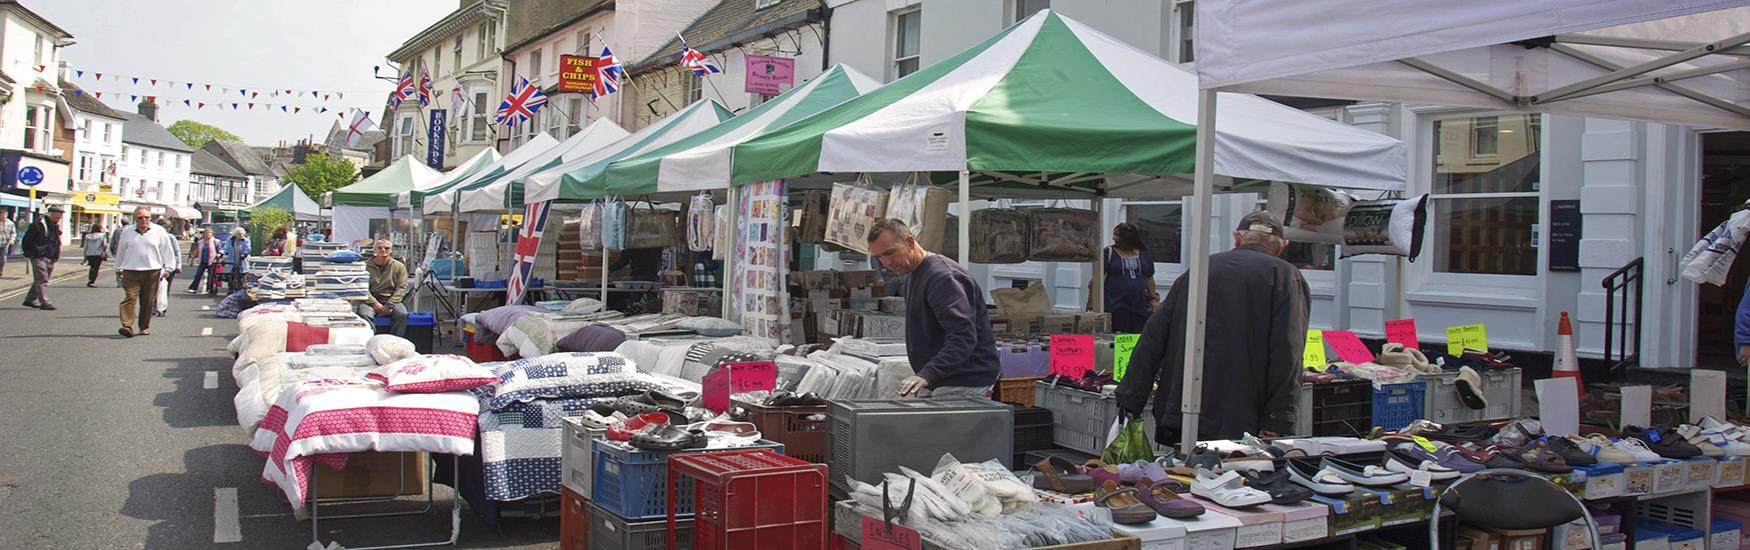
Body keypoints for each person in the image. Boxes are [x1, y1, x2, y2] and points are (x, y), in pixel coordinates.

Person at [1116, 211, 1310, 443]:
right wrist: (1278, 417)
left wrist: (1131, 398)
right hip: (1242, 417)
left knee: (1184, 474)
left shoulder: (1199, 270)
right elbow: (1288, 353)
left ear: (1237, 237)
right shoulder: (1286, 277)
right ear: (1282, 246)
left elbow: (1152, 338)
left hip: (1183, 409)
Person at [865, 218, 1001, 399]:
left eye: (890, 253)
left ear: (909, 242)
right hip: (944, 378)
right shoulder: (914, 273)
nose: (886, 263)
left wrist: (927, 374)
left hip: (964, 378)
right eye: (880, 257)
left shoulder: (943, 277)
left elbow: (963, 337)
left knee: (937, 427)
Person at [111, 206, 177, 337]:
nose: (144, 220)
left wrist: (169, 268)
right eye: (140, 217)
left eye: (146, 217)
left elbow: (167, 251)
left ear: (150, 218)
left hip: (152, 271)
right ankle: (127, 326)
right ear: (135, 218)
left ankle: (144, 326)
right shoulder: (127, 232)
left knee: (147, 301)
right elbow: (121, 251)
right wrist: (118, 267)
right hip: (130, 270)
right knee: (130, 298)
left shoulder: (159, 231)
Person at [1089, 223, 1157, 333]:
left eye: (1118, 235)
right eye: (1114, 234)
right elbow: (1097, 278)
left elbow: (1149, 277)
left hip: (1139, 304)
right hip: (1116, 303)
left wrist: (1153, 299)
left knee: (1138, 335)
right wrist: (1091, 300)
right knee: (1121, 335)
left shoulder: (1144, 253)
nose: (1114, 238)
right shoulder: (1109, 252)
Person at [357, 239, 410, 336]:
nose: (383, 250)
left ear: (391, 250)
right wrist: (374, 303)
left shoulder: (399, 266)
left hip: (390, 298)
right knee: (364, 314)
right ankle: (372, 341)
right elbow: (361, 287)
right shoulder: (363, 266)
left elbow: (402, 287)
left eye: (386, 248)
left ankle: (394, 342)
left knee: (402, 314)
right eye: (379, 248)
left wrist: (390, 304)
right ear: (374, 250)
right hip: (369, 300)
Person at [20, 205, 64, 310]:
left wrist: (56, 255)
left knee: (42, 278)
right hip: (37, 255)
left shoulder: (55, 226)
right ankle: (44, 302)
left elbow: (56, 242)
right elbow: (26, 240)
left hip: (50, 256)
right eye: (59, 214)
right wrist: (29, 253)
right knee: (42, 278)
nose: (60, 217)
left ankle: (29, 299)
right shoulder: (37, 225)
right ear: (51, 214)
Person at [187, 228, 219, 294]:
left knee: (211, 276)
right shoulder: (200, 242)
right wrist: (192, 260)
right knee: (198, 275)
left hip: (212, 262)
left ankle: (210, 289)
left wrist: (219, 256)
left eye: (209, 233)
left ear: (211, 234)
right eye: (206, 233)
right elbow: (196, 251)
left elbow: (219, 251)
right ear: (204, 234)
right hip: (202, 261)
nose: (207, 235)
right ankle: (193, 288)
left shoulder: (215, 241)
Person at [225, 227, 250, 293]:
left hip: (242, 261)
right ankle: (230, 290)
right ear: (235, 234)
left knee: (241, 278)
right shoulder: (230, 240)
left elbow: (248, 249)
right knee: (231, 276)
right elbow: (226, 248)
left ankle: (240, 291)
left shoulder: (246, 240)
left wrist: (244, 254)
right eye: (239, 234)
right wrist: (221, 253)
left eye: (242, 234)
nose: (241, 235)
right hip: (232, 261)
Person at [0, 210, 15, 278]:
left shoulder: (10, 223)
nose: (4, 216)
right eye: (2, 215)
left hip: (4, 244)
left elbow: (13, 232)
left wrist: (12, 240)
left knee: (2, 259)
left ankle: (0, 270)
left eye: (5, 215)